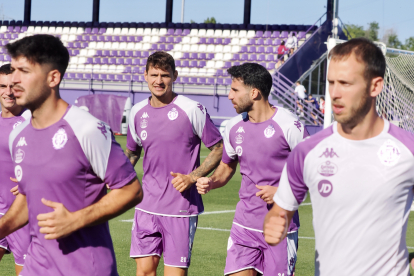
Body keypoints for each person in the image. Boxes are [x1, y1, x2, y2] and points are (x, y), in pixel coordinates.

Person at [264, 38, 414, 275]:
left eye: (345, 83)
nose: (334, 93)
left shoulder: (408, 150)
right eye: (331, 83)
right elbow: (281, 211)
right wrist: (275, 221)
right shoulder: (307, 152)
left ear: (375, 86)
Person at [1, 34, 143, 276]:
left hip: (85, 268)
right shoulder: (19, 135)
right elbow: (27, 198)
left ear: (53, 77)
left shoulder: (86, 128)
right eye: (13, 70)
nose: (14, 80)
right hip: (36, 267)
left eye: (23, 71)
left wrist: (75, 220)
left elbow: (131, 190)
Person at [196, 63, 308, 276]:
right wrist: (212, 181)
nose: (229, 96)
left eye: (235, 90)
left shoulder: (289, 126)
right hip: (243, 227)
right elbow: (227, 167)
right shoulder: (233, 127)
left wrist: (281, 192)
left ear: (254, 92)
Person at [126, 51, 223, 276]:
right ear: (145, 76)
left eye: (165, 75)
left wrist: (192, 177)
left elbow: (219, 149)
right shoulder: (137, 112)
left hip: (180, 208)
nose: (159, 81)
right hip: (146, 205)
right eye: (154, 75)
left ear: (175, 76)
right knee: (144, 272)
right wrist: (118, 176)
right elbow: (133, 153)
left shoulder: (192, 109)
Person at [0, 63, 31, 275]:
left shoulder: (32, 121)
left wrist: (29, 182)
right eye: (2, 86)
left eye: (13, 86)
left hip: (24, 214)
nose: (8, 92)